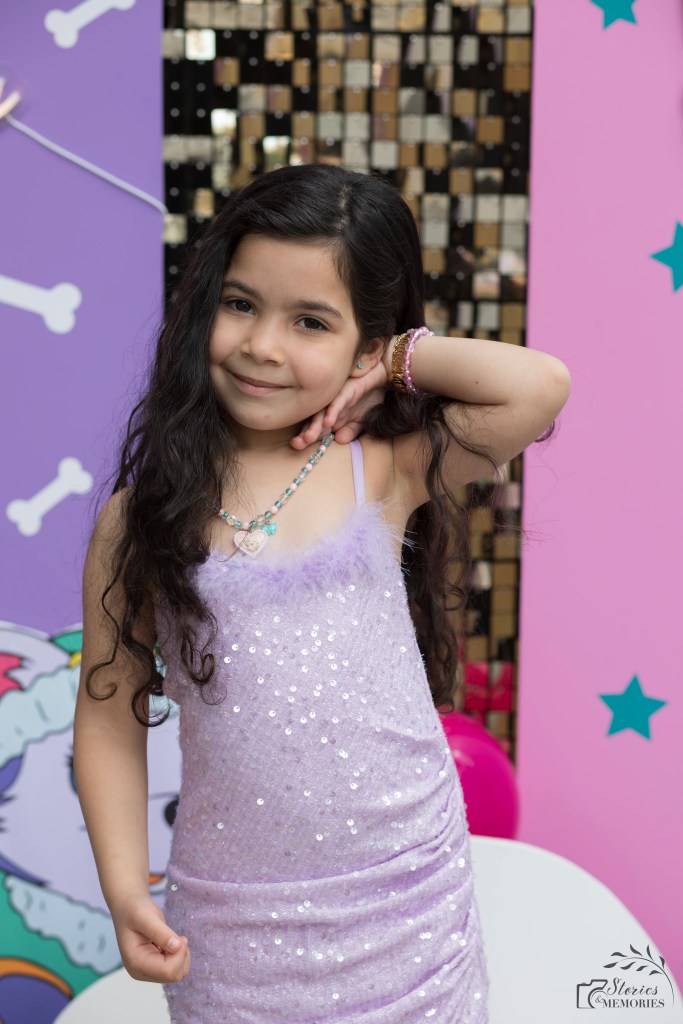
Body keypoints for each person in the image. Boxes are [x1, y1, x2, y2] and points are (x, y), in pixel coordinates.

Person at [74, 162, 571, 1023]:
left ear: (363, 344)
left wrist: (399, 360)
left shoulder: (385, 469)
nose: (263, 345)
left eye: (310, 321)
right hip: (234, 926)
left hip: (406, 906)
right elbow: (108, 715)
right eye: (240, 304)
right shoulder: (141, 517)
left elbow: (539, 385)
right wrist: (123, 889)